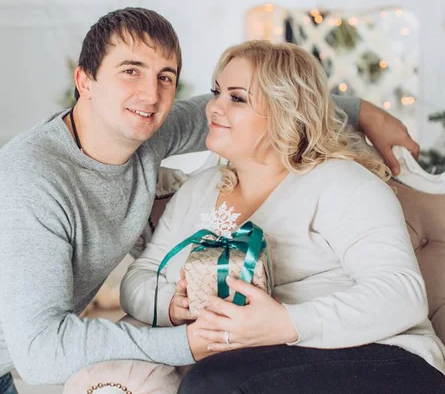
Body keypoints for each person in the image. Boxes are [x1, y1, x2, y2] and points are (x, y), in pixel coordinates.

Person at [0, 8, 418, 391]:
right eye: (131, 71)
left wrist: (366, 112)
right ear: (84, 81)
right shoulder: (32, 177)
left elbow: (286, 103)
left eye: (166, 76)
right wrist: (183, 333)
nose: (151, 94)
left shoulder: (149, 130)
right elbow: (42, 351)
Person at [120, 40, 445, 394]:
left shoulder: (342, 183)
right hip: (263, 360)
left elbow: (402, 295)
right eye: (217, 92)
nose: (214, 107)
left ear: (285, 111)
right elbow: (139, 276)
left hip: (385, 357)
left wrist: (286, 323)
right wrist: (171, 304)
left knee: (214, 384)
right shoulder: (199, 190)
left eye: (237, 98)